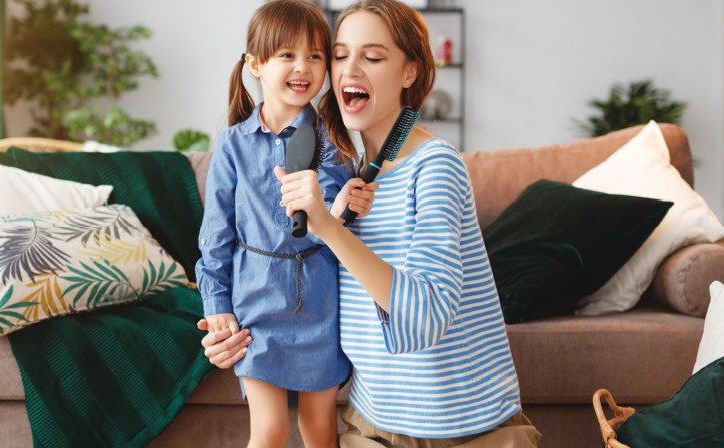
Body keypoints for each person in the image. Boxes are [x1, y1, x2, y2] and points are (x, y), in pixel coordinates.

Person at [203, 0, 541, 446]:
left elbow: (423, 317)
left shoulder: (434, 165)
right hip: (371, 426)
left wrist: (329, 227)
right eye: (341, 55)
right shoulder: (355, 171)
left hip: (460, 431)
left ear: (410, 72)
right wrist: (221, 318)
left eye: (373, 56)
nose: (348, 70)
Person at [195, 1, 376, 447]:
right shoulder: (233, 145)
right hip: (256, 305)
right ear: (255, 64)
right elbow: (216, 238)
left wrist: (348, 209)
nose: (303, 67)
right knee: (270, 431)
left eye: (315, 56)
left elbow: (338, 231)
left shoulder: (335, 144)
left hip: (320, 303)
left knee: (319, 431)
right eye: (287, 55)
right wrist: (216, 304)